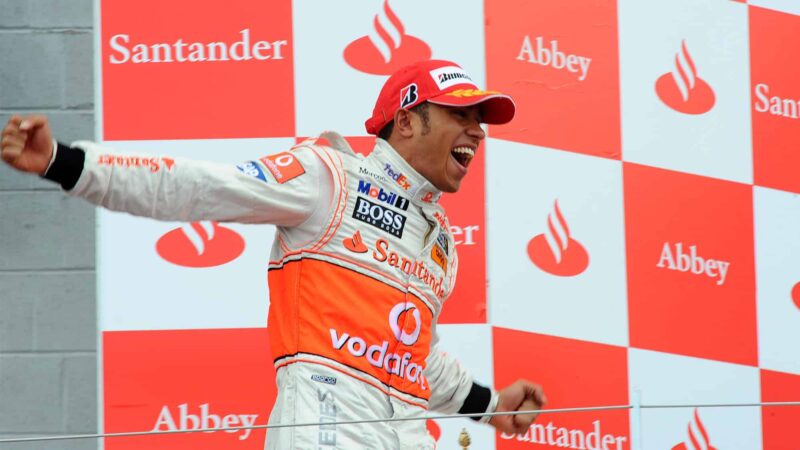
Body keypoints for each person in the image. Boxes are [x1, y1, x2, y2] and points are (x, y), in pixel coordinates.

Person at [1, 59, 545, 449]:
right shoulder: (328, 175)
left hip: (408, 434)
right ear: (405, 121)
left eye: (481, 119)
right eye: (461, 114)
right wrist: (65, 162)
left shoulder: (441, 242)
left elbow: (415, 356)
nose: (477, 130)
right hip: (326, 424)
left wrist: (491, 407)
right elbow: (200, 186)